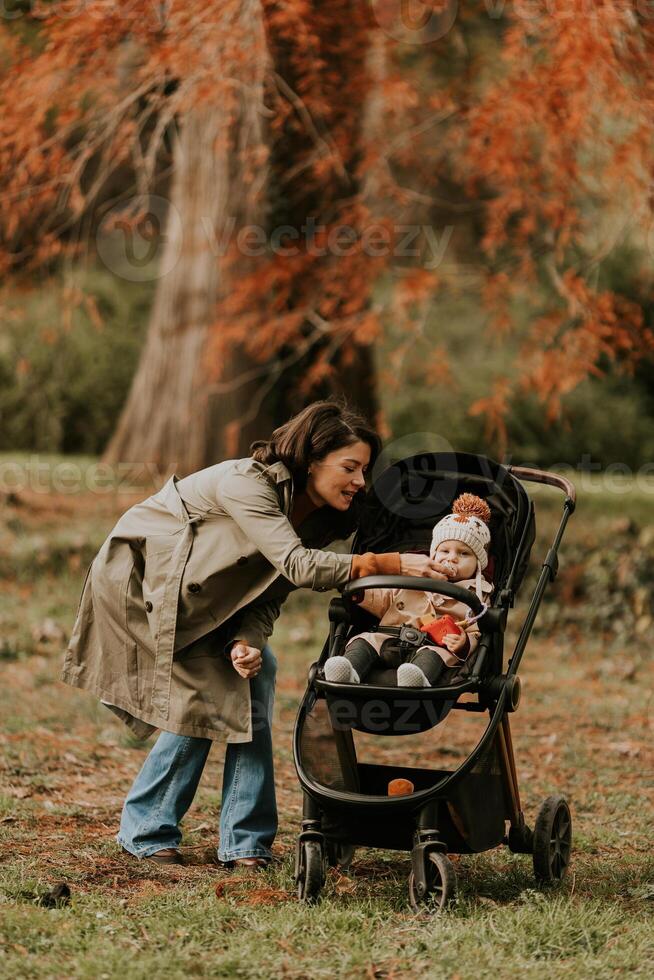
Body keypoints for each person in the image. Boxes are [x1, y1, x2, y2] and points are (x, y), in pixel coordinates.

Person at [61, 400, 445, 868]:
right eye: (350, 467)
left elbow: (269, 593)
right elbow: (298, 566)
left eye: (364, 470)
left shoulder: (317, 516)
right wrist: (387, 564)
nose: (360, 481)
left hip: (207, 600)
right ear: (310, 458)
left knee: (258, 675)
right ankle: (148, 828)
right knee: (208, 690)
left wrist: (248, 640)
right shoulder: (246, 483)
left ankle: (243, 842)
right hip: (144, 584)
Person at [324, 494, 494, 687]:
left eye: (464, 554)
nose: (452, 558)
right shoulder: (414, 576)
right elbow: (385, 597)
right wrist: (361, 593)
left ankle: (417, 678)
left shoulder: (478, 594)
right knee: (364, 640)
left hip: (432, 645)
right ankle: (348, 669)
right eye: (445, 551)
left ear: (478, 564)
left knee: (434, 656)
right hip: (389, 635)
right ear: (433, 553)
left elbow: (477, 631)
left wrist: (464, 643)